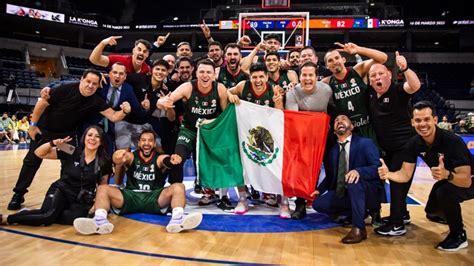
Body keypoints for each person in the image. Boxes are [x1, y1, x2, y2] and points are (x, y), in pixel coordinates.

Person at [7, 69, 131, 210]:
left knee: (68, 162)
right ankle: (18, 194)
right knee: (31, 160)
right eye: (88, 82)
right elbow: (42, 102)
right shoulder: (65, 89)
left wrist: (125, 111)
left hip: (67, 136)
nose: (90, 86)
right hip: (44, 132)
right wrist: (33, 125)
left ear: (98, 86)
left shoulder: (96, 100)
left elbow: (114, 116)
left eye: (94, 84)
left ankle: (64, 194)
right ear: (81, 80)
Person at [378, 101, 473, 252]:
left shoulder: (452, 141)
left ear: (435, 120)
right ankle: (448, 215)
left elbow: (466, 181)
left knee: (445, 192)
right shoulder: (414, 143)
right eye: (418, 120)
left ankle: (458, 235)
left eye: (427, 119)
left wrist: (447, 174)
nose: (423, 124)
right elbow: (405, 174)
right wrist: (388, 174)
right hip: (448, 180)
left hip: (467, 180)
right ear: (412, 122)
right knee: (432, 211)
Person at [73, 129, 202, 234]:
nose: (147, 143)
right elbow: (119, 159)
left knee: (178, 186)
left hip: (154, 197)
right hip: (130, 196)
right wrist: (117, 156)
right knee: (103, 189)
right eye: (144, 140)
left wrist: (172, 160)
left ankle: (177, 220)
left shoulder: (158, 157)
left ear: (154, 144)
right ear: (139, 143)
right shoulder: (131, 156)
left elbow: (165, 160)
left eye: (150, 140)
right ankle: (99, 221)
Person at [1, 126, 112, 226]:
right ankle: (8, 219)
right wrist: (52, 143)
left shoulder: (105, 161)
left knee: (75, 218)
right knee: (47, 216)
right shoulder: (71, 149)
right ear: (84, 138)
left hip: (80, 198)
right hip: (62, 189)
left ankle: (32, 214)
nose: (93, 138)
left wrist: (97, 205)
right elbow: (38, 153)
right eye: (90, 135)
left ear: (101, 141)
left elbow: (102, 186)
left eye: (97, 136)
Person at [368, 52, 421, 235]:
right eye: (373, 76)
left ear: (389, 75)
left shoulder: (398, 91)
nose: (377, 78)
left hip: (404, 147)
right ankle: (402, 214)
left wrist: (405, 68)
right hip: (387, 149)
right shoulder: (372, 96)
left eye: (380, 74)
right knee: (393, 183)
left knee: (398, 185)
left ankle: (397, 224)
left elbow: (414, 86)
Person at [312, 113, 383, 244]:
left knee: (353, 181)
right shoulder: (332, 150)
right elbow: (331, 176)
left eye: (344, 119)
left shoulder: (365, 143)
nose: (339, 121)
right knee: (318, 204)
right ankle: (356, 212)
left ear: (352, 126)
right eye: (336, 120)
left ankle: (359, 228)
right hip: (345, 193)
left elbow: (377, 168)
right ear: (333, 130)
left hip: (367, 192)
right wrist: (319, 190)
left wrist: (359, 171)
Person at [157, 59, 228, 189]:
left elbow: (225, 115)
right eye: (201, 72)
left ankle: (209, 188)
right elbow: (167, 99)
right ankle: (175, 189)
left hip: (210, 131)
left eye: (208, 72)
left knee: (212, 162)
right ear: (196, 73)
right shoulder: (188, 87)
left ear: (213, 75)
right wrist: (161, 102)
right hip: (189, 130)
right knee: (177, 159)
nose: (205, 75)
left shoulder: (220, 89)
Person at [227, 63, 286, 216]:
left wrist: (278, 101)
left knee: (273, 163)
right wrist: (230, 95)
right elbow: (226, 91)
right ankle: (242, 198)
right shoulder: (242, 86)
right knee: (239, 161)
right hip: (246, 131)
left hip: (267, 133)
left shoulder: (273, 89)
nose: (258, 80)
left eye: (261, 77)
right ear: (250, 77)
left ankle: (277, 197)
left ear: (267, 77)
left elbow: (280, 115)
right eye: (254, 77)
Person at [285, 61, 335, 219]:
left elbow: (334, 110)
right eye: (304, 75)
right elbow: (294, 119)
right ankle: (300, 204)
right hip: (303, 137)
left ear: (317, 76)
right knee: (302, 170)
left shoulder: (326, 90)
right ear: (299, 77)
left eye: (310, 75)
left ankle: (335, 201)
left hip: (325, 136)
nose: (307, 78)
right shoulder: (293, 92)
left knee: (332, 166)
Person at [322, 42, 388, 141]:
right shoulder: (326, 83)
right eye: (330, 60)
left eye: (337, 58)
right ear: (327, 66)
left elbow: (383, 58)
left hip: (368, 126)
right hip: (347, 132)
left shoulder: (357, 70)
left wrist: (359, 49)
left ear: (343, 59)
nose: (334, 61)